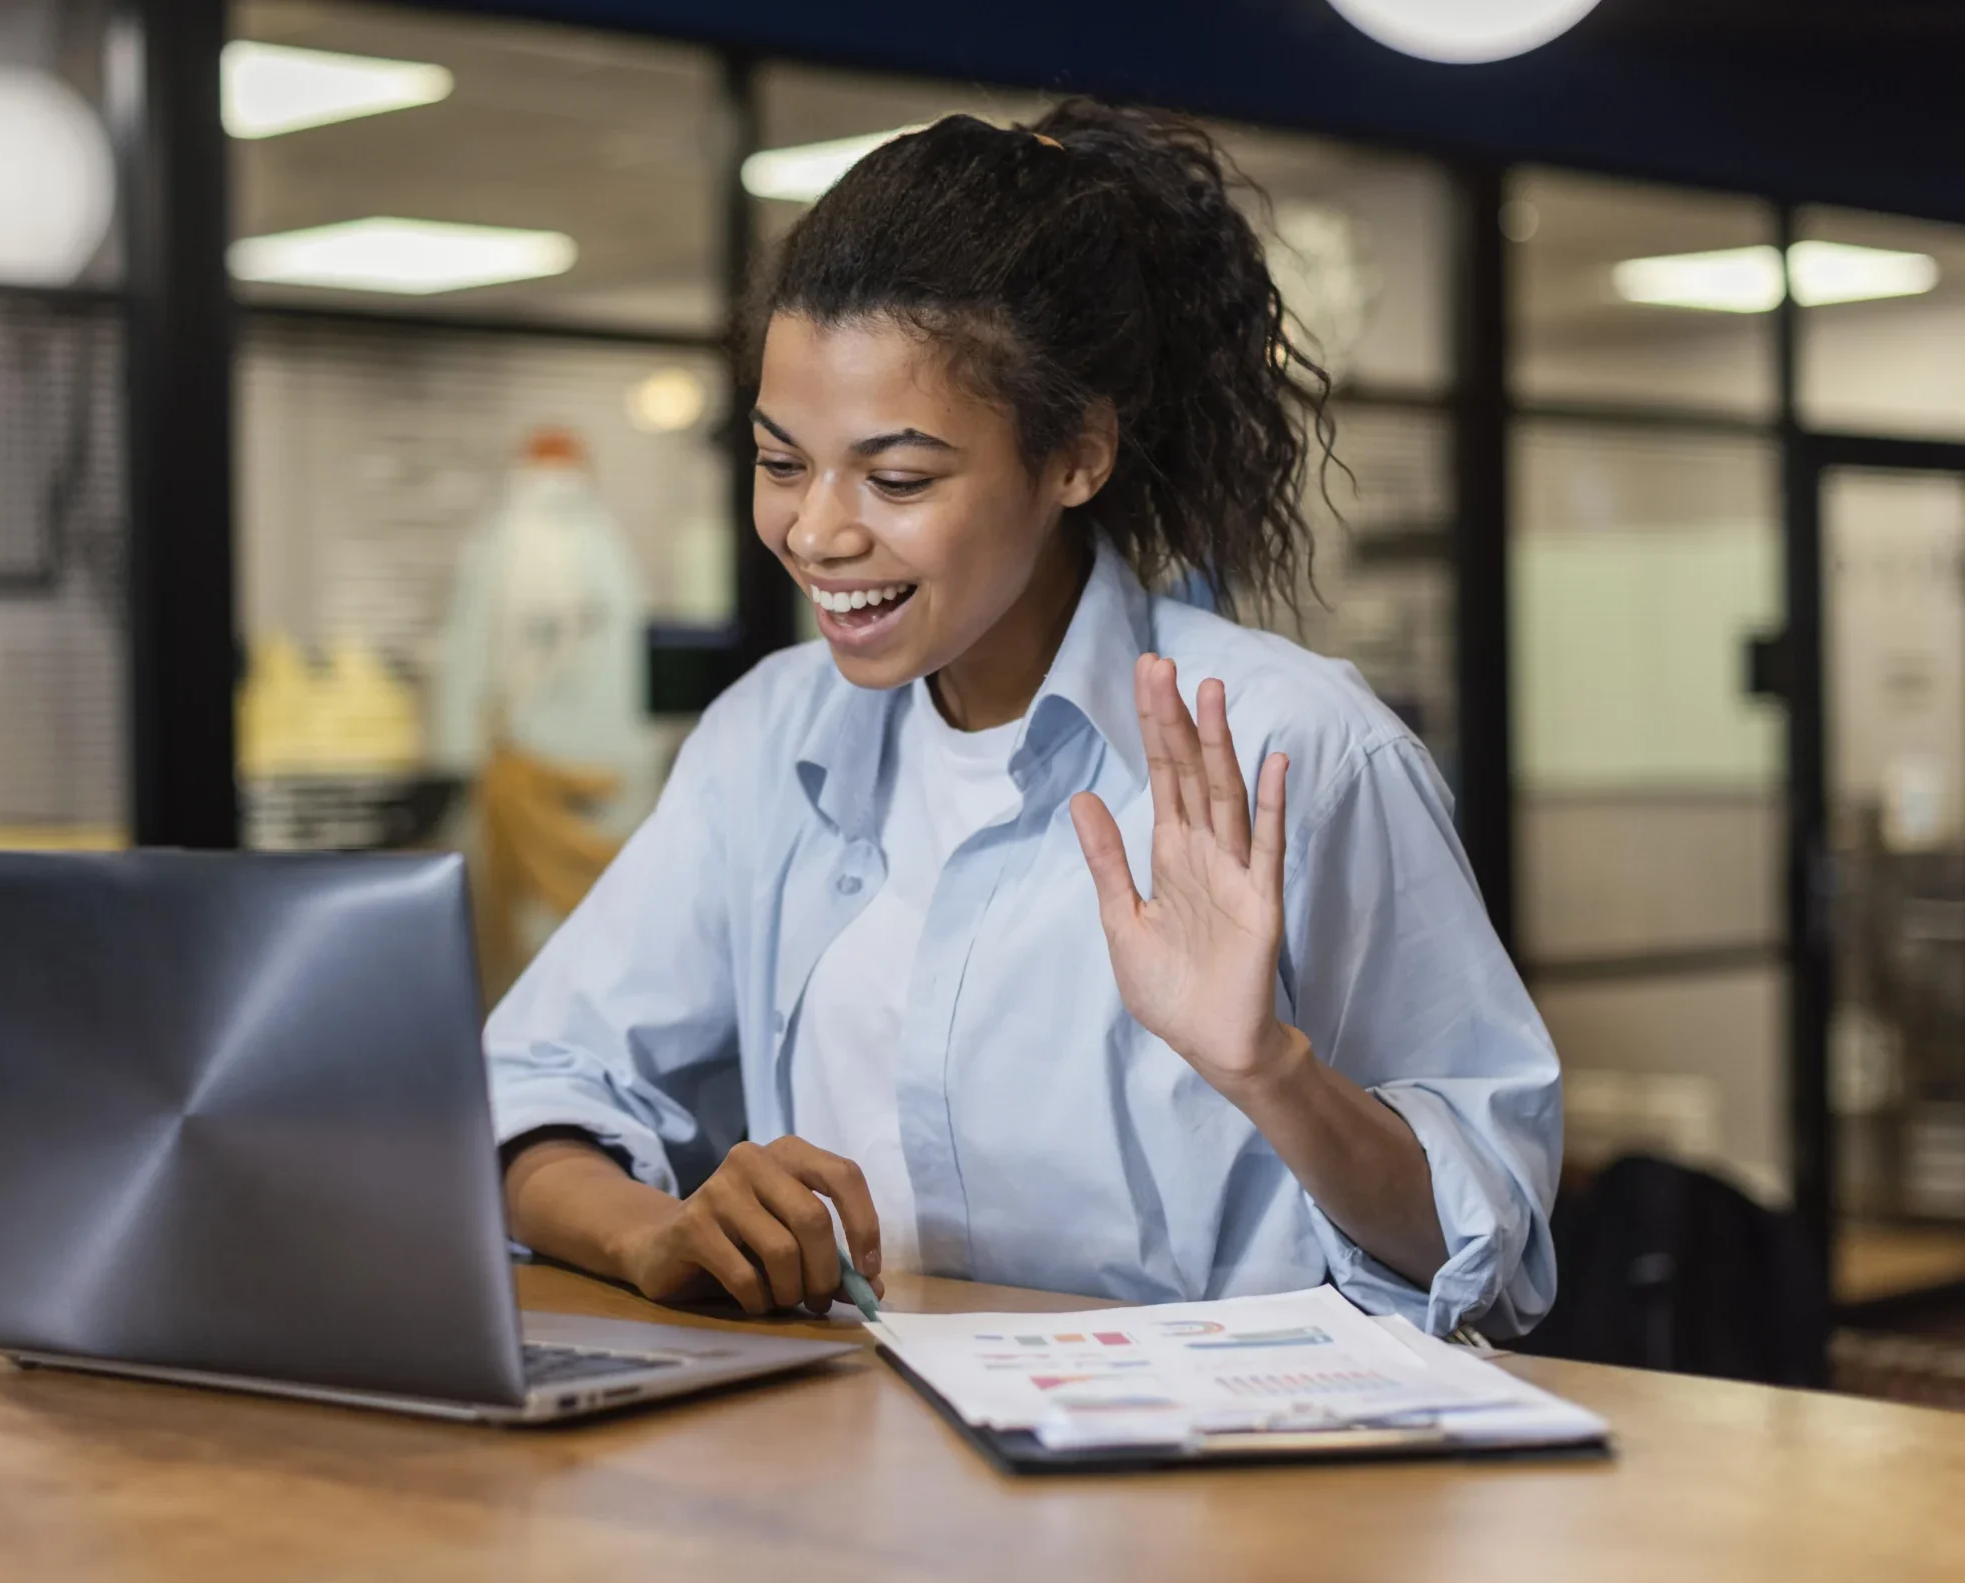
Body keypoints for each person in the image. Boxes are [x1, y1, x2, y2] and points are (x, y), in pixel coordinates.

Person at [485, 101, 1560, 1338]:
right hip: (852, 1475)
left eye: (896, 478)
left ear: (1074, 458)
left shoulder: (1292, 748)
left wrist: (1271, 1070)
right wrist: (656, 1229)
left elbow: (1493, 1240)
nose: (819, 530)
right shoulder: (765, 741)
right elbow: (530, 1088)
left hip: (1223, 1499)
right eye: (782, 462)